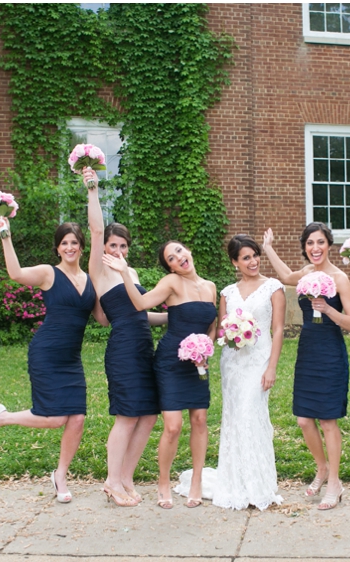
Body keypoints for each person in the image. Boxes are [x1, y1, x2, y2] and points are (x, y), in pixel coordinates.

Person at [0, 216, 106, 504]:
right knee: (53, 418)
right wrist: (5, 237)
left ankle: (60, 475)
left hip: (71, 358)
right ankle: (2, 418)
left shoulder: (90, 280)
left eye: (75, 242)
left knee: (77, 418)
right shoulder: (48, 274)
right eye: (65, 243)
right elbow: (15, 273)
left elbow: (102, 319)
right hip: (47, 353)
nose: (70, 247)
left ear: (82, 247)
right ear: (58, 248)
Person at [103, 240, 216, 510]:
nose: (178, 258)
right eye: (171, 259)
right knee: (173, 426)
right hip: (170, 362)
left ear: (188, 250)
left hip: (198, 363)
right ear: (170, 267)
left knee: (200, 421)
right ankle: (163, 482)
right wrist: (123, 272)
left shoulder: (211, 287)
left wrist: (206, 348)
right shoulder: (171, 283)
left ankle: (196, 482)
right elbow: (140, 303)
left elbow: (212, 325)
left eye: (179, 252)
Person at [83, 168, 167, 507]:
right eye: (112, 245)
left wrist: (176, 317)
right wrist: (92, 190)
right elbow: (96, 228)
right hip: (123, 349)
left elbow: (142, 313)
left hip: (143, 344)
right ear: (104, 248)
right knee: (127, 415)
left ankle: (127, 477)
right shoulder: (100, 269)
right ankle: (111, 480)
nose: (117, 249)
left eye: (122, 245)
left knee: (148, 414)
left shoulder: (129, 272)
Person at [262, 222, 350, 510]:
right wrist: (268, 248)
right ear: (305, 248)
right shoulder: (305, 273)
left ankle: (334, 483)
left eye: (320, 242)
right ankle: (322, 468)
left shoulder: (339, 278)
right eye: (309, 244)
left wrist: (328, 309)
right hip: (307, 351)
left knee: (328, 421)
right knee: (304, 420)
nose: (315, 248)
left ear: (329, 244)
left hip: (330, 352)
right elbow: (285, 275)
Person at [211, 234, 285, 510]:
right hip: (232, 363)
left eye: (255, 255)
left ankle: (259, 485)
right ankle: (235, 483)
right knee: (234, 419)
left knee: (251, 415)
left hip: (259, 362)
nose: (253, 261)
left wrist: (272, 367)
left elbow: (277, 329)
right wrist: (232, 334)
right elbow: (222, 328)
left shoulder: (273, 287)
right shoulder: (227, 292)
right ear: (235, 262)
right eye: (246, 257)